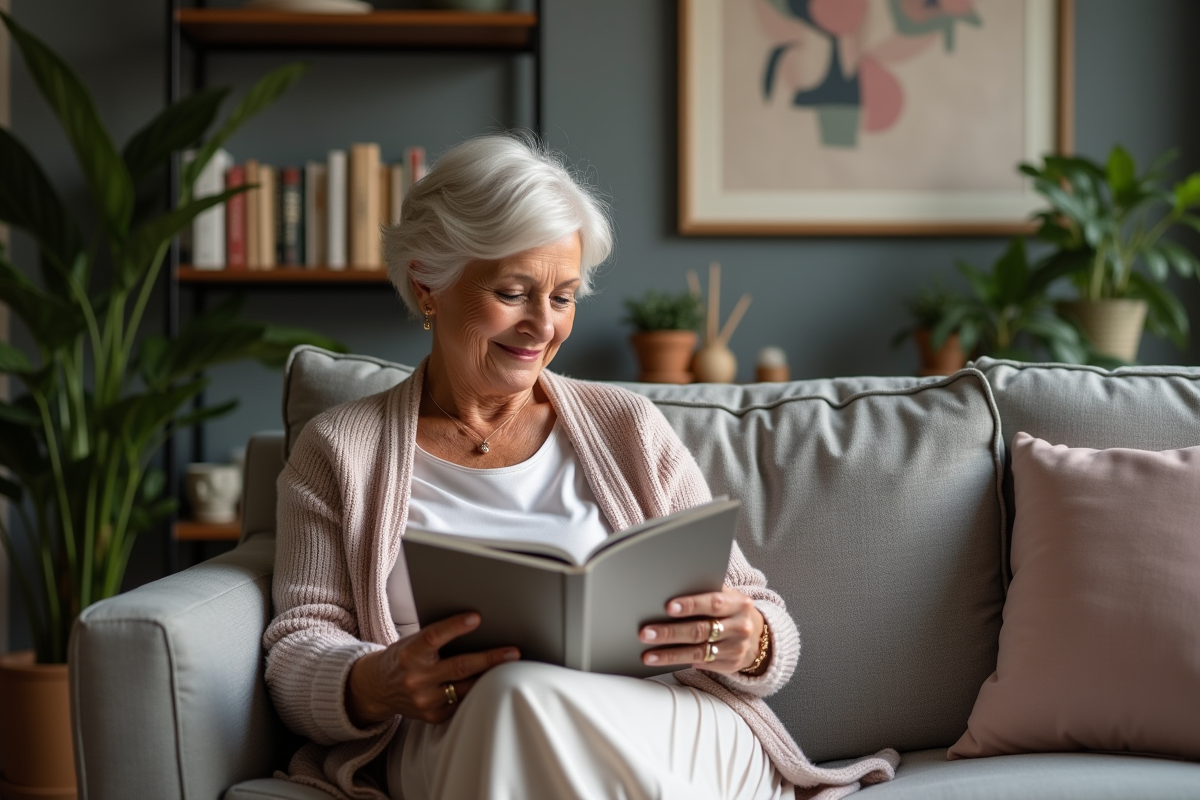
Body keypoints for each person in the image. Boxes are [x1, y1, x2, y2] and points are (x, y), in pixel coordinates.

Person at [263, 134, 897, 800]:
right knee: (510, 697)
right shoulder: (339, 450)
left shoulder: (627, 427)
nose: (542, 325)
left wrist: (750, 640)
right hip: (456, 739)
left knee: (517, 699)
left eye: (563, 297)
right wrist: (376, 679)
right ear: (429, 285)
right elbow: (298, 647)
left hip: (666, 729)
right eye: (513, 292)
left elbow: (759, 612)